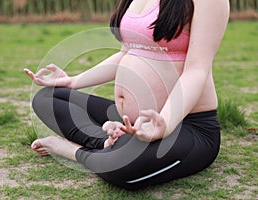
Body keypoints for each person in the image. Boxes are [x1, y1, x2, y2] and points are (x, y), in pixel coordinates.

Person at [24, 0, 230, 190]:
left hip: (185, 125)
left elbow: (197, 70)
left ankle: (71, 150)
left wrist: (165, 124)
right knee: (47, 98)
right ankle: (108, 142)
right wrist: (73, 81)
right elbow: (126, 53)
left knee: (120, 167)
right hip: (129, 122)